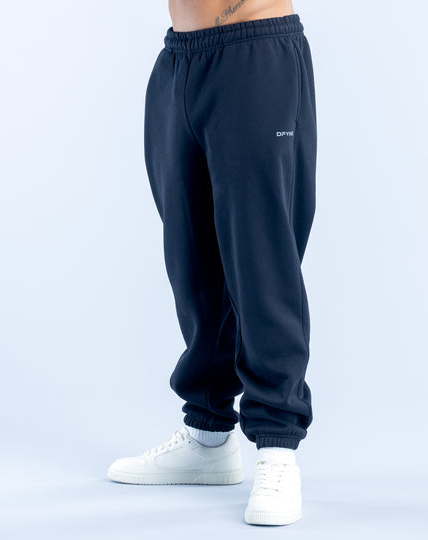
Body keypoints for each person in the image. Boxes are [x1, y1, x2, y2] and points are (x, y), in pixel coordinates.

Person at [107, 0, 316, 526]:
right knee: (192, 260)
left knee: (262, 259)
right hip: (179, 59)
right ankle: (207, 438)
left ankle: (277, 445)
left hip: (255, 50)